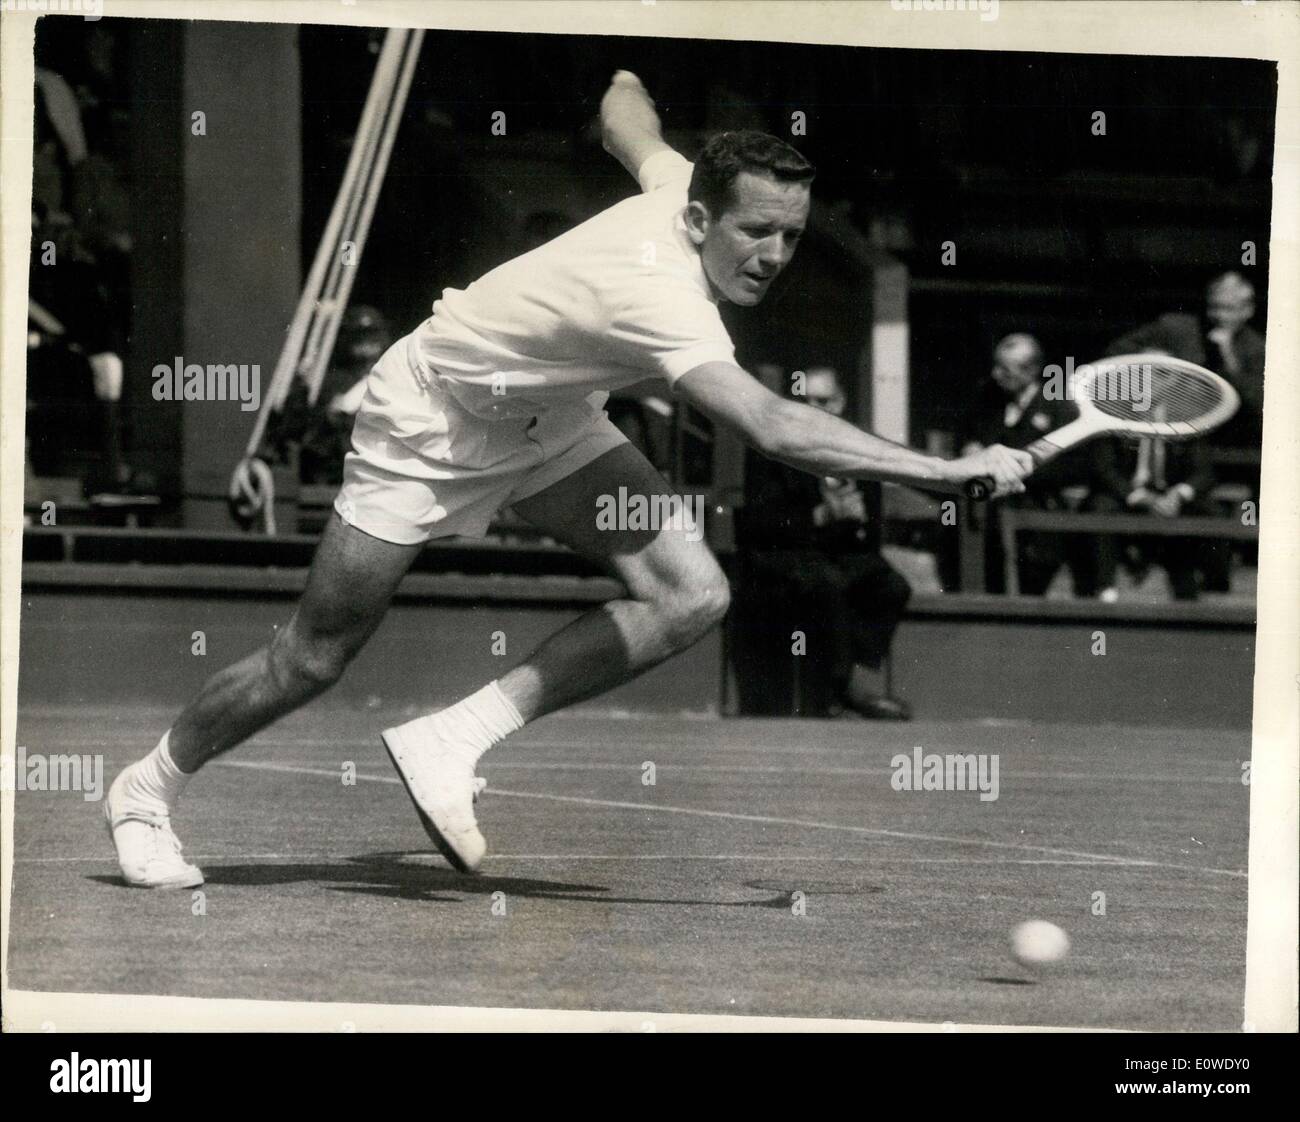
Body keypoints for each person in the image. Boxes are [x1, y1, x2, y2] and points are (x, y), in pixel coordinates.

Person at [104, 71, 1030, 887]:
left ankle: (452, 738)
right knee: (313, 656)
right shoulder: (663, 296)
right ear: (702, 220)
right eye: (758, 232)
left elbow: (625, 112)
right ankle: (143, 794)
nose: (775, 256)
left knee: (693, 592)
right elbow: (771, 424)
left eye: (791, 235)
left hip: (548, 424)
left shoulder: (679, 183)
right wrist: (942, 472)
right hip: (430, 419)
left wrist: (623, 75)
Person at [739, 367, 912, 719]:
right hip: (787, 552)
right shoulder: (769, 448)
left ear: (840, 402)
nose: (814, 408)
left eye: (823, 401)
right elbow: (763, 523)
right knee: (827, 585)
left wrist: (857, 517)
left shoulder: (857, 447)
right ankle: (836, 692)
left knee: (890, 585)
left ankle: (854, 678)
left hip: (840, 551)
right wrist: (822, 516)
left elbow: (872, 530)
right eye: (805, 401)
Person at [964, 333, 1117, 598]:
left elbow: (1078, 464)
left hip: (1041, 505)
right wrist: (972, 447)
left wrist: (1024, 471)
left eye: (1006, 369)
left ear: (1032, 371)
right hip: (994, 504)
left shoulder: (1060, 407)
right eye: (996, 366)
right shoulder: (988, 399)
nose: (997, 374)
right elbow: (971, 435)